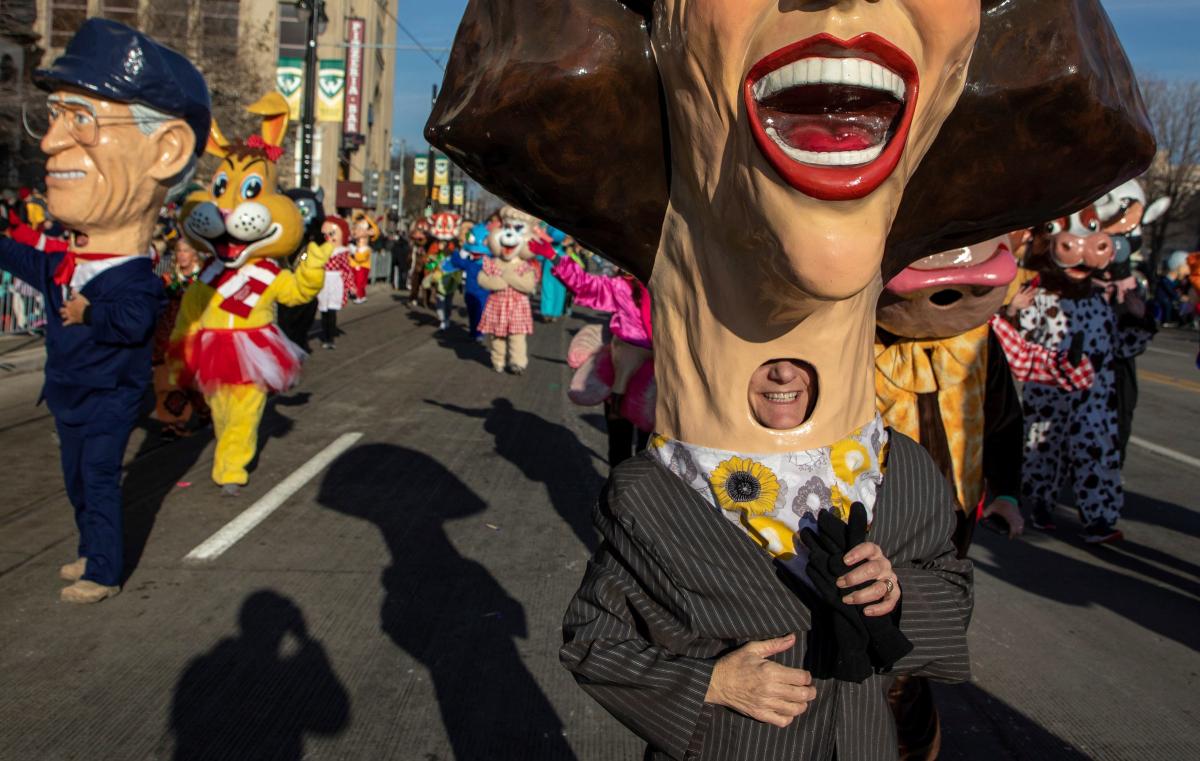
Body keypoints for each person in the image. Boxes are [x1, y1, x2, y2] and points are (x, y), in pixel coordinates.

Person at [429, 0, 1153, 756]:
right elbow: (594, 641)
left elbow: (949, 594)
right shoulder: (656, 496)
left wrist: (899, 595)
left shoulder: (901, 473)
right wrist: (708, 685)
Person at [0, 18, 208, 603]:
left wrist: (88, 316)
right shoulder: (69, 266)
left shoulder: (132, 279)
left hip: (109, 394)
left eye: (81, 118)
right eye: (55, 115)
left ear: (166, 149)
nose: (49, 142)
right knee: (75, 482)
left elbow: (134, 324)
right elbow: (25, 260)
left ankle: (104, 570)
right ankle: (91, 549)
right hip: (68, 391)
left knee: (97, 477)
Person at [169, 93, 329, 497]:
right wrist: (179, 348)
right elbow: (190, 312)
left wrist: (311, 268)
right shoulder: (209, 271)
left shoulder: (265, 271)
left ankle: (232, 469)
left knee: (245, 410)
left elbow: (294, 294)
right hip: (212, 346)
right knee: (221, 411)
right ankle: (229, 450)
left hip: (252, 345)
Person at [1016, 202, 1156, 543]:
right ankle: (1040, 505)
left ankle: (1099, 518)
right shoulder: (1039, 298)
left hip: (1094, 395)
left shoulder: (1100, 299)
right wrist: (1013, 310)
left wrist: (1135, 317)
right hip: (1048, 392)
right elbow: (1017, 343)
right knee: (1042, 451)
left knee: (1097, 452)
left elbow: (1123, 347)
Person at [531, 239, 654, 466]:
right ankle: (618, 493)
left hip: (657, 380)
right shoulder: (621, 288)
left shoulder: (670, 291)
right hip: (624, 369)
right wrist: (554, 256)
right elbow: (585, 284)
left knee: (651, 451)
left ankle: (640, 492)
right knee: (619, 447)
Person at [152, 237, 208, 439]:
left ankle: (204, 410)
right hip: (168, 331)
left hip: (195, 330)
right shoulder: (167, 277)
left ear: (194, 253)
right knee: (166, 379)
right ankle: (173, 422)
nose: (181, 255)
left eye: (185, 250)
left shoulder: (204, 277)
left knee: (194, 379)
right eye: (178, 251)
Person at [477, 207, 538, 374]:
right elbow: (482, 279)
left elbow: (529, 285)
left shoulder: (525, 265)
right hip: (497, 303)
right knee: (496, 337)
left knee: (517, 337)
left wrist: (508, 277)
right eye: (506, 227)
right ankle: (498, 360)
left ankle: (517, 362)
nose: (510, 235)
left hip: (518, 306)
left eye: (518, 229)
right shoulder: (492, 262)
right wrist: (499, 282)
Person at [442, 222, 491, 341]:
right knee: (472, 312)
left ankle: (479, 332)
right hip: (470, 292)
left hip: (484, 293)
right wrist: (457, 250)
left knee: (480, 312)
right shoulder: (470, 262)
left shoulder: (489, 262)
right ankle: (474, 331)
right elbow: (458, 261)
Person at [316, 216, 353, 349]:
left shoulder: (342, 252)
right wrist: (300, 260)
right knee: (323, 310)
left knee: (331, 310)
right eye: (324, 234)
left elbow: (347, 269)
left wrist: (350, 286)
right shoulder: (317, 249)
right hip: (321, 279)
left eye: (331, 234)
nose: (327, 237)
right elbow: (305, 257)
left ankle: (329, 337)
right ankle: (326, 335)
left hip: (335, 281)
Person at [348, 211, 377, 303]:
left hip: (362, 266)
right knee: (355, 281)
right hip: (355, 265)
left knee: (360, 282)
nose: (355, 230)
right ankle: (361, 295)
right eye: (356, 228)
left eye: (359, 228)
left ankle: (360, 296)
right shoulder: (354, 246)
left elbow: (360, 258)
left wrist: (354, 253)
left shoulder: (366, 249)